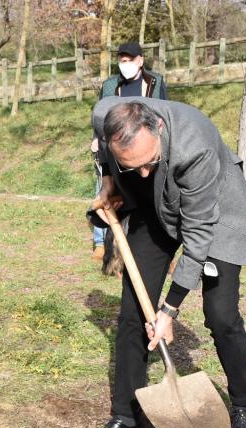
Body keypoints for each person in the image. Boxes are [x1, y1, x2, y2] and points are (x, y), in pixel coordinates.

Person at [77, 98, 246, 428]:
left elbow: (197, 236)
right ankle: (126, 418)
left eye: (147, 162)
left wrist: (169, 311)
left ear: (159, 129)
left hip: (213, 212)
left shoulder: (196, 147)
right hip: (156, 208)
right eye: (132, 166)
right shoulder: (106, 115)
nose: (143, 172)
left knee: (221, 315)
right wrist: (107, 182)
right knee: (134, 311)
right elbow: (104, 149)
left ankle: (243, 407)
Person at [89, 42, 168, 263]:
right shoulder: (109, 85)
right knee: (106, 189)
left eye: (130, 60)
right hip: (116, 146)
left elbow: (164, 111)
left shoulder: (155, 81)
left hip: (144, 148)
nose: (125, 64)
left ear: (140, 61)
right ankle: (101, 243)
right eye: (122, 61)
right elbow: (100, 116)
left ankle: (158, 245)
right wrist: (97, 140)